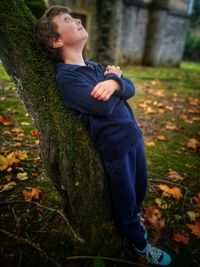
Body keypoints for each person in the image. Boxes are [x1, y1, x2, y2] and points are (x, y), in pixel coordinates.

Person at [33, 5, 172, 266]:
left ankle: (136, 218)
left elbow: (129, 88)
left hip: (134, 139)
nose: (76, 19)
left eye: (73, 16)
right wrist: (112, 78)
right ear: (56, 40)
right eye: (67, 19)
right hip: (115, 150)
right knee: (125, 198)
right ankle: (138, 243)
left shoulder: (96, 68)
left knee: (139, 187)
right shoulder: (67, 78)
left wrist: (115, 82)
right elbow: (103, 106)